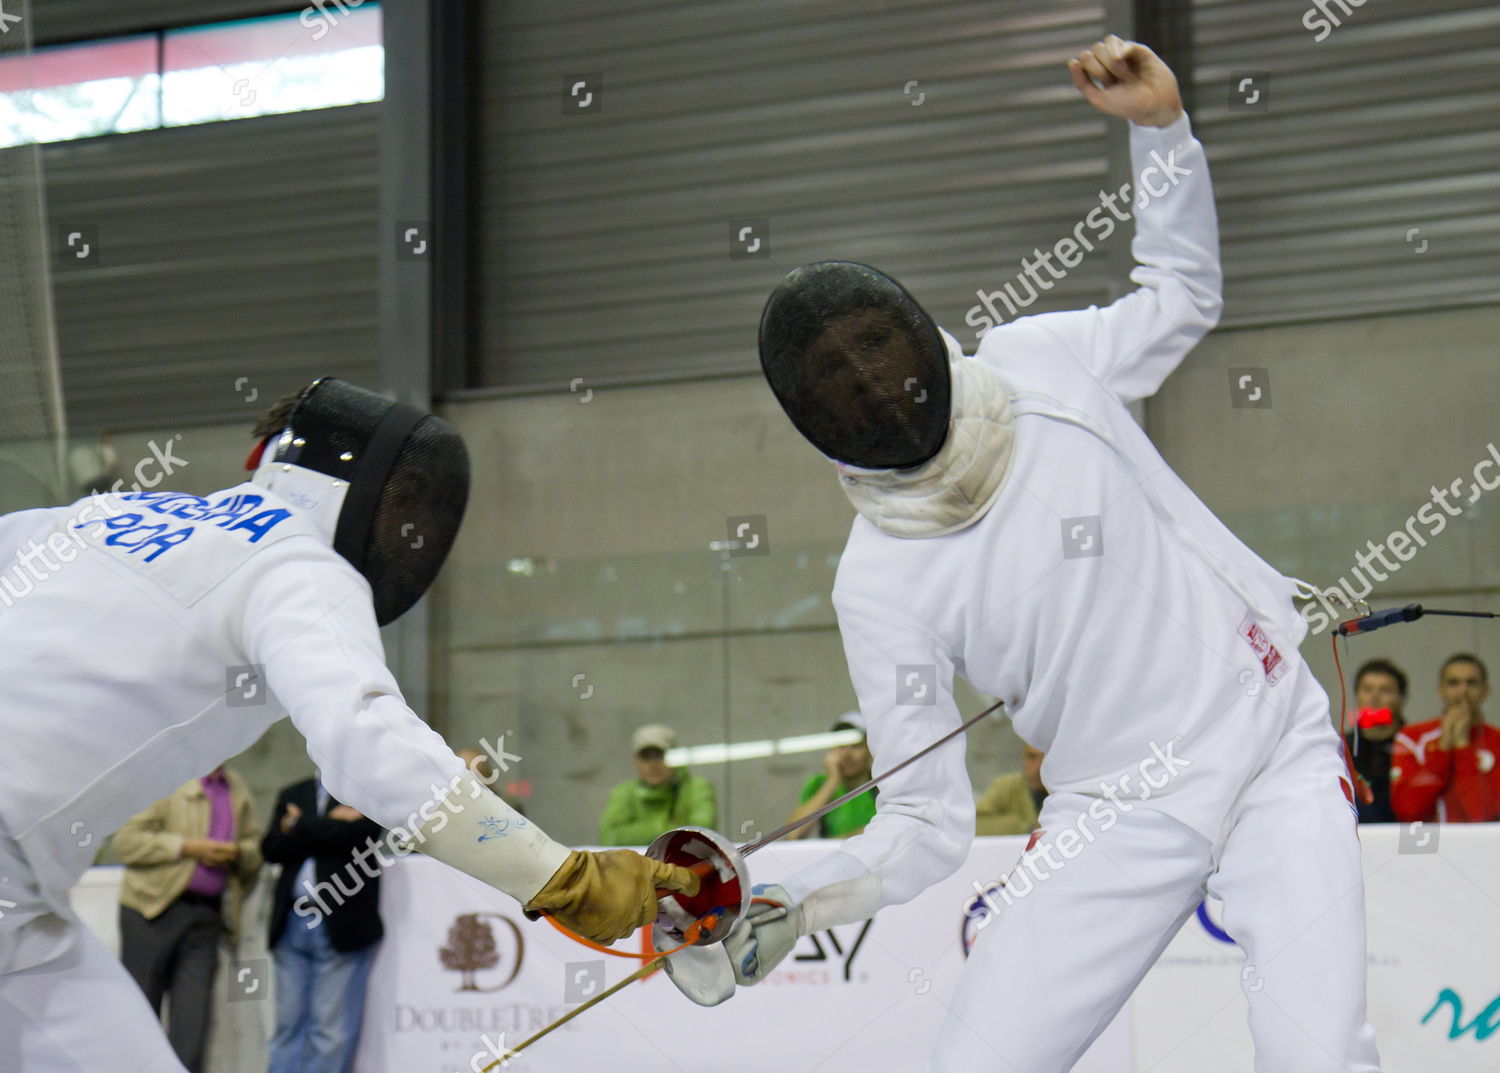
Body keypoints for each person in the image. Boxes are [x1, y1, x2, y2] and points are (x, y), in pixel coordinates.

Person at [725, 36, 1382, 1073]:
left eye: (874, 350)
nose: (868, 382)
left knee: (1317, 1054)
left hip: (1269, 743)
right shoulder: (879, 581)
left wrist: (1160, 133)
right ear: (821, 427)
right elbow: (926, 820)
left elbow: (1181, 296)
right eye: (841, 380)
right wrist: (791, 890)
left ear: (919, 335)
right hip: (1111, 811)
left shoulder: (1038, 361)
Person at [0, 378, 697, 1073]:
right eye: (405, 504)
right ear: (365, 492)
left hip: (20, 900)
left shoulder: (112, 514)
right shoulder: (297, 563)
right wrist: (560, 874)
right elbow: (368, 740)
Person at [113, 765, 263, 1073]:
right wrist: (187, 847)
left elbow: (254, 847)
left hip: (206, 917)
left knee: (192, 1025)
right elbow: (126, 841)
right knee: (140, 1018)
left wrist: (236, 852)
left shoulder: (235, 787)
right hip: (151, 911)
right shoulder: (164, 778)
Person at [261, 772, 384, 1073]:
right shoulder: (294, 791)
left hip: (342, 923)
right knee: (288, 1025)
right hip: (291, 921)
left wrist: (298, 826)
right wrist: (332, 827)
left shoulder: (364, 791)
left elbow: (359, 838)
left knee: (332, 1030)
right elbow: (271, 848)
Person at [1390, 653, 1500, 823]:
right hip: (1433, 847)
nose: (1463, 691)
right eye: (1454, 683)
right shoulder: (1411, 737)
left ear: (1485, 691)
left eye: (1471, 683)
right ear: (1440, 690)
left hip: (1485, 845)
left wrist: (1463, 747)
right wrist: (1444, 748)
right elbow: (1408, 812)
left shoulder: (1497, 741)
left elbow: (1485, 816)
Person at [599, 725, 718, 845]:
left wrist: (638, 832)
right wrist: (665, 828)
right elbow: (610, 837)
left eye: (660, 755)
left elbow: (703, 833)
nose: (653, 764)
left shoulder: (697, 788)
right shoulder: (623, 792)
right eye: (646, 757)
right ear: (636, 760)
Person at [784, 713, 877, 840]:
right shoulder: (818, 783)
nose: (846, 755)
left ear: (870, 750)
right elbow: (793, 834)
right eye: (841, 746)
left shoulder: (882, 785)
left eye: (856, 746)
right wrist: (832, 781)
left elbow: (887, 830)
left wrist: (837, 842)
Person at [1344, 659, 1407, 823]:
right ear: (1356, 695)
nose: (1374, 697)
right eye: (1367, 689)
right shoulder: (1341, 748)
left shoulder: (1413, 746)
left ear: (1401, 699)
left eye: (1385, 690)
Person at [975, 744, 1047, 836]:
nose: (1038, 766)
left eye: (1045, 759)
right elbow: (977, 824)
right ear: (1023, 758)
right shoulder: (1005, 787)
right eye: (1032, 757)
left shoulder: (1067, 792)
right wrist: (1026, 828)